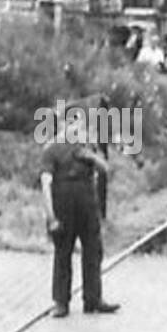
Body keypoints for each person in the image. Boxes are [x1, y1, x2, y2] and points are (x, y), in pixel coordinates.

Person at [41, 122, 119, 318]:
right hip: (64, 207)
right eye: (73, 128)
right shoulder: (52, 149)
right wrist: (51, 216)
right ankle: (61, 302)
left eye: (80, 128)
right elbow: (45, 184)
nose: (77, 132)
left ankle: (93, 299)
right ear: (63, 128)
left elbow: (105, 169)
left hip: (87, 207)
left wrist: (91, 156)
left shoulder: (87, 148)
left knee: (93, 251)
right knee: (63, 253)